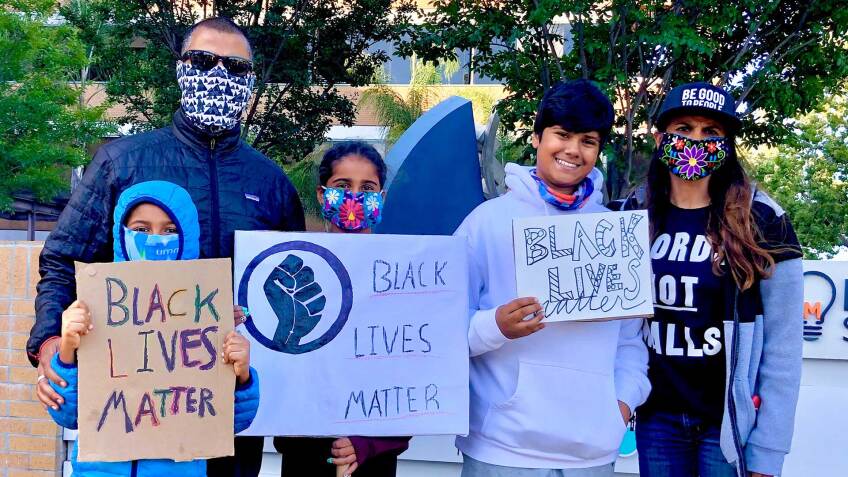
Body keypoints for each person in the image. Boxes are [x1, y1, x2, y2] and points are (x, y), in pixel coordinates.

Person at [28, 17, 304, 476]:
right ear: (181, 70)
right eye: (202, 60)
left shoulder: (270, 182)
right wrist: (51, 343)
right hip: (136, 417)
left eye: (234, 68)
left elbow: (287, 281)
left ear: (250, 82)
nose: (218, 76)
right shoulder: (123, 162)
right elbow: (62, 259)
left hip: (231, 411)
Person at [453, 79, 651, 477]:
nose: (573, 150)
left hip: (593, 455)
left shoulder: (616, 233)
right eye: (561, 135)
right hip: (500, 451)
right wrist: (496, 326)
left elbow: (631, 339)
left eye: (588, 140)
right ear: (537, 138)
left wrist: (622, 404)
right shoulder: (485, 223)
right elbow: (441, 331)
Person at [614, 82, 803, 477]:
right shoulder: (632, 213)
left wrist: (769, 450)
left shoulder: (764, 220)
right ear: (660, 136)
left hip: (727, 426)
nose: (696, 140)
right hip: (657, 418)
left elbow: (783, 348)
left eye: (711, 132)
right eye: (683, 128)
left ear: (728, 143)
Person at [47, 181, 260, 476]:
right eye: (141, 229)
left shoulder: (207, 312)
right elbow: (67, 416)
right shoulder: (96, 305)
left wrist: (243, 374)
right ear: (123, 233)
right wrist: (68, 349)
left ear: (187, 235)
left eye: (170, 230)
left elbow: (234, 423)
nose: (156, 239)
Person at [273, 141, 411, 477]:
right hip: (303, 453)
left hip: (373, 460)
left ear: (382, 198)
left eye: (367, 188)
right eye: (342, 186)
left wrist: (370, 444)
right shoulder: (290, 270)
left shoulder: (405, 277)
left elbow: (415, 379)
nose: (355, 197)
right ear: (322, 196)